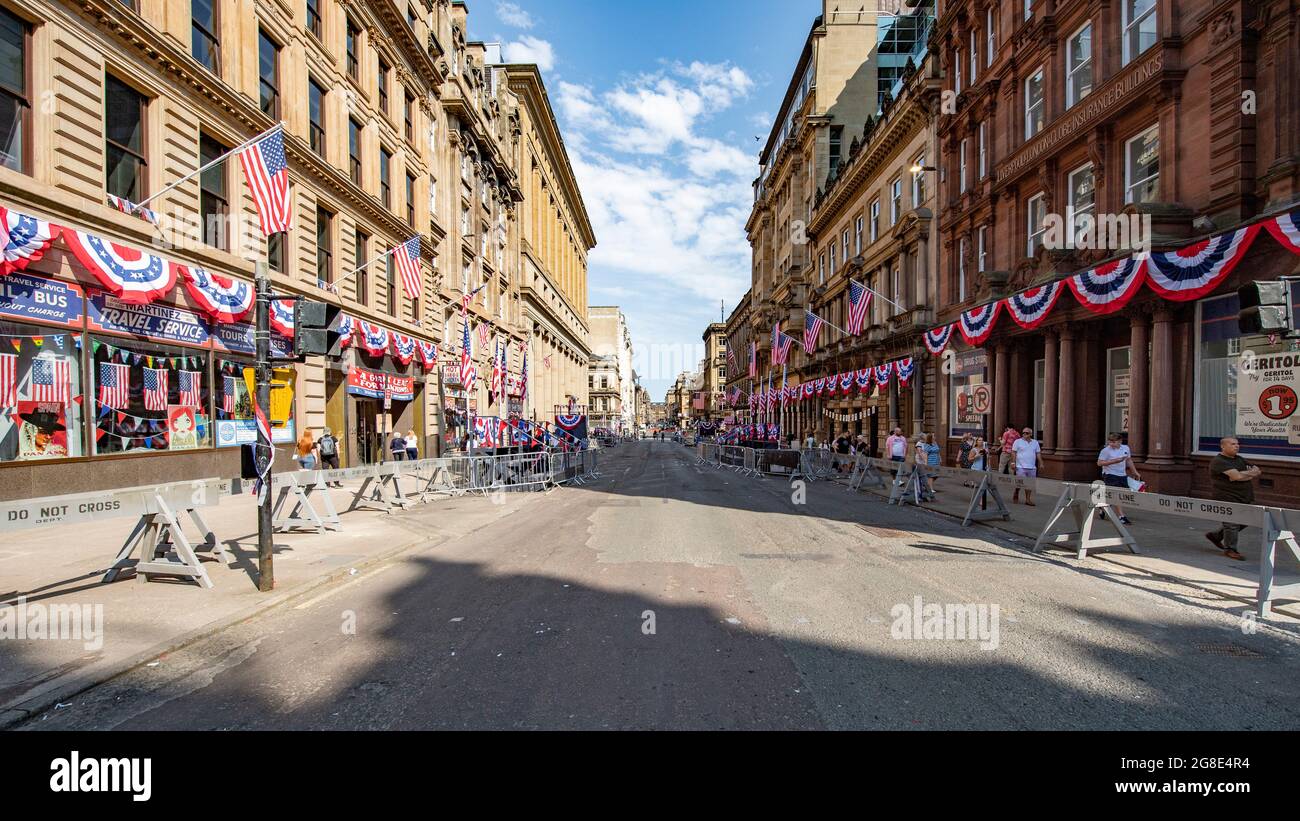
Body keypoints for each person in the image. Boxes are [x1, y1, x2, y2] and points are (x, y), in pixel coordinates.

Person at [1206, 437, 1258, 561]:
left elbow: (1257, 471)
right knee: (1232, 524)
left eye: (1237, 444)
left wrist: (1242, 475)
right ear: (1223, 446)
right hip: (1227, 496)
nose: (1236, 446)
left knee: (1247, 520)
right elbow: (1237, 476)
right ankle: (1230, 549)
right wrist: (1243, 475)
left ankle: (1216, 536)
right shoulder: (1219, 461)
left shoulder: (1239, 459)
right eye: (1233, 444)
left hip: (1244, 496)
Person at [1097, 433, 1139, 524]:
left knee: (1122, 494)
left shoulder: (1126, 448)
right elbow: (1099, 463)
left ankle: (1102, 506)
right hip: (1110, 474)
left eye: (1113, 442)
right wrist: (1115, 461)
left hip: (1122, 474)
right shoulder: (1106, 451)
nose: (1111, 444)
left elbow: (1129, 460)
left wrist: (1134, 472)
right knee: (1116, 494)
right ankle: (1121, 516)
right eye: (1110, 441)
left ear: (1120, 441)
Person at [1011, 426, 1042, 505]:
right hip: (1020, 466)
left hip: (1032, 467)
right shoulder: (1017, 441)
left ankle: (1027, 499)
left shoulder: (1035, 442)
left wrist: (1041, 462)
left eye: (1027, 433)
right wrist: (1013, 463)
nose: (1025, 434)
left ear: (1031, 434)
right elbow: (1013, 452)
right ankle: (1016, 491)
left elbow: (1038, 453)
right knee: (1021, 483)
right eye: (1023, 433)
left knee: (1029, 484)